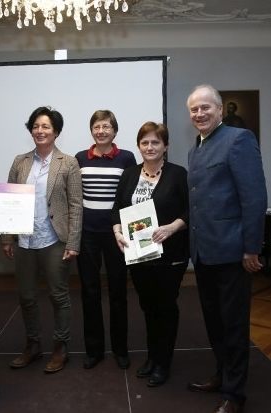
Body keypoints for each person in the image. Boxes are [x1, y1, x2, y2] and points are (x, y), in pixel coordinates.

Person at [186, 84, 267, 413]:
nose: (200, 113)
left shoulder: (238, 139)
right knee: (215, 323)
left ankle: (234, 395)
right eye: (194, 109)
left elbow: (255, 197)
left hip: (233, 252)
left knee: (233, 326)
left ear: (220, 109)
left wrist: (251, 248)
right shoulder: (195, 149)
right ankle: (222, 375)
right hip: (203, 253)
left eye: (206, 107)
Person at [0, 106, 83, 374]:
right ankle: (33, 345)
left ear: (56, 131)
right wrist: (6, 237)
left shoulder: (68, 162)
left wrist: (73, 242)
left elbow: (76, 205)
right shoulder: (20, 161)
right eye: (35, 126)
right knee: (26, 297)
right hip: (24, 240)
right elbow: (9, 200)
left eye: (45, 126)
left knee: (59, 296)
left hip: (54, 240)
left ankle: (60, 347)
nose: (40, 131)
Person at [112, 121, 189, 387]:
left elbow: (191, 209)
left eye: (156, 142)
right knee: (148, 307)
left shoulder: (178, 174)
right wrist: (117, 232)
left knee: (165, 307)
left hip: (170, 254)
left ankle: (163, 362)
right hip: (139, 255)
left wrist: (172, 227)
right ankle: (152, 357)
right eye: (144, 142)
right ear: (138, 146)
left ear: (165, 146)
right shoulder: (129, 174)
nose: (150, 147)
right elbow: (117, 208)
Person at [75, 110, 137, 370]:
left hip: (116, 234)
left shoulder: (127, 158)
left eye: (106, 127)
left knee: (118, 291)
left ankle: (120, 349)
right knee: (89, 292)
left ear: (115, 130)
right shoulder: (80, 158)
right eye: (97, 127)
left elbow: (130, 195)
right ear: (91, 130)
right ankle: (94, 350)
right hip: (87, 234)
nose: (101, 131)